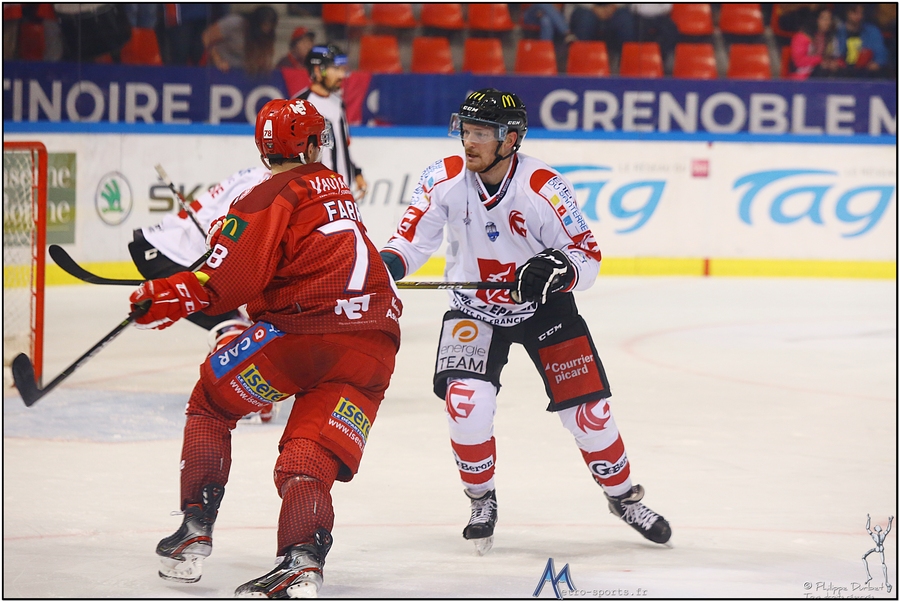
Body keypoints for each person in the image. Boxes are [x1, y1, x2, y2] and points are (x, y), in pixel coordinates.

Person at [379, 88, 671, 555]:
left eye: (481, 134)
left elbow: (588, 258)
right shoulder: (442, 179)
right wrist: (383, 267)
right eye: (465, 131)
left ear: (510, 139)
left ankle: (623, 497)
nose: (468, 142)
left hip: (543, 310)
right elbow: (410, 243)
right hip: (473, 309)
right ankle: (481, 499)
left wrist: (559, 268)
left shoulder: (543, 187)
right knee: (466, 405)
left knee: (590, 414)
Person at [129, 98, 402, 597]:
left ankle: (194, 529)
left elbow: (227, 283)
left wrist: (169, 293)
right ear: (315, 146)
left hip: (302, 338)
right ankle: (300, 562)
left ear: (263, 148)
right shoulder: (336, 187)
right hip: (375, 346)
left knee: (211, 400)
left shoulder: (268, 195)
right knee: (308, 453)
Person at [129, 165, 277, 422]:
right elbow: (229, 240)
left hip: (164, 248)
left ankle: (233, 389)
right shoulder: (267, 187)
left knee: (237, 320)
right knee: (237, 326)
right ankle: (234, 397)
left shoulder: (259, 174)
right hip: (175, 255)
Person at [292, 43, 367, 200]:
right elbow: (294, 155)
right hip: (317, 196)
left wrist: (356, 173)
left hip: (343, 193)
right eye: (336, 69)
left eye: (343, 69)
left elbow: (341, 146)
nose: (342, 75)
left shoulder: (338, 103)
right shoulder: (300, 106)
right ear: (318, 70)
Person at [202, 5, 277, 77]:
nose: (266, 29)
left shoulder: (268, 33)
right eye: (265, 25)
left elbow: (265, 53)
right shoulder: (234, 23)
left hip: (244, 72)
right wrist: (218, 60)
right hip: (220, 69)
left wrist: (262, 64)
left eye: (270, 26)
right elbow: (207, 37)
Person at [834, 3, 890, 78]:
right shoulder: (837, 32)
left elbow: (881, 52)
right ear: (847, 13)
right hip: (843, 72)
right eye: (854, 12)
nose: (858, 16)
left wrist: (878, 62)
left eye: (861, 12)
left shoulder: (872, 31)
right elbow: (833, 53)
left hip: (865, 72)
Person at [789, 6, 840, 79]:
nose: (828, 22)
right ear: (816, 19)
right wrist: (820, 60)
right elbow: (799, 62)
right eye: (824, 19)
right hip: (803, 75)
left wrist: (833, 63)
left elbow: (836, 57)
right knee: (821, 70)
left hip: (823, 71)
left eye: (829, 19)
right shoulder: (802, 37)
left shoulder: (831, 38)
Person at [569, 3, 634, 60]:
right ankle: (582, 63)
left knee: (625, 20)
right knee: (586, 20)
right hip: (585, 8)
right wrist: (593, 7)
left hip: (615, 9)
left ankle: (628, 64)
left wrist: (614, 6)